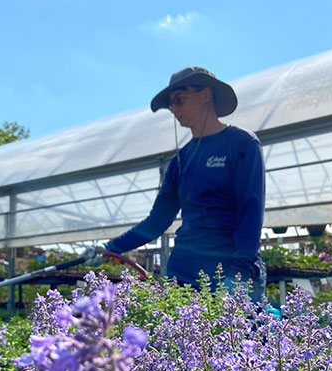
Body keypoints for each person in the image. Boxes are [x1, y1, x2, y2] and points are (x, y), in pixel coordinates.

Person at [102, 66, 266, 301]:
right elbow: (158, 220)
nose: (174, 109)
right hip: (183, 271)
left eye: (179, 99)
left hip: (229, 267)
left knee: (237, 337)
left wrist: (239, 272)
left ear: (206, 94)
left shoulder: (241, 144)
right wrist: (113, 246)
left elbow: (251, 209)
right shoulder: (180, 161)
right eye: (171, 105)